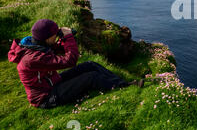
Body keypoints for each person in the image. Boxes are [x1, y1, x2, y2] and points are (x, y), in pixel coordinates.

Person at [8, 19, 144, 109]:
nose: (56, 37)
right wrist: (68, 37)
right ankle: (123, 87)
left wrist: (64, 40)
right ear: (47, 37)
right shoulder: (32, 58)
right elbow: (70, 61)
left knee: (90, 64)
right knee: (91, 77)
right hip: (46, 97)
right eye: (54, 35)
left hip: (53, 83)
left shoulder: (36, 45)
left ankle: (121, 82)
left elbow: (57, 50)